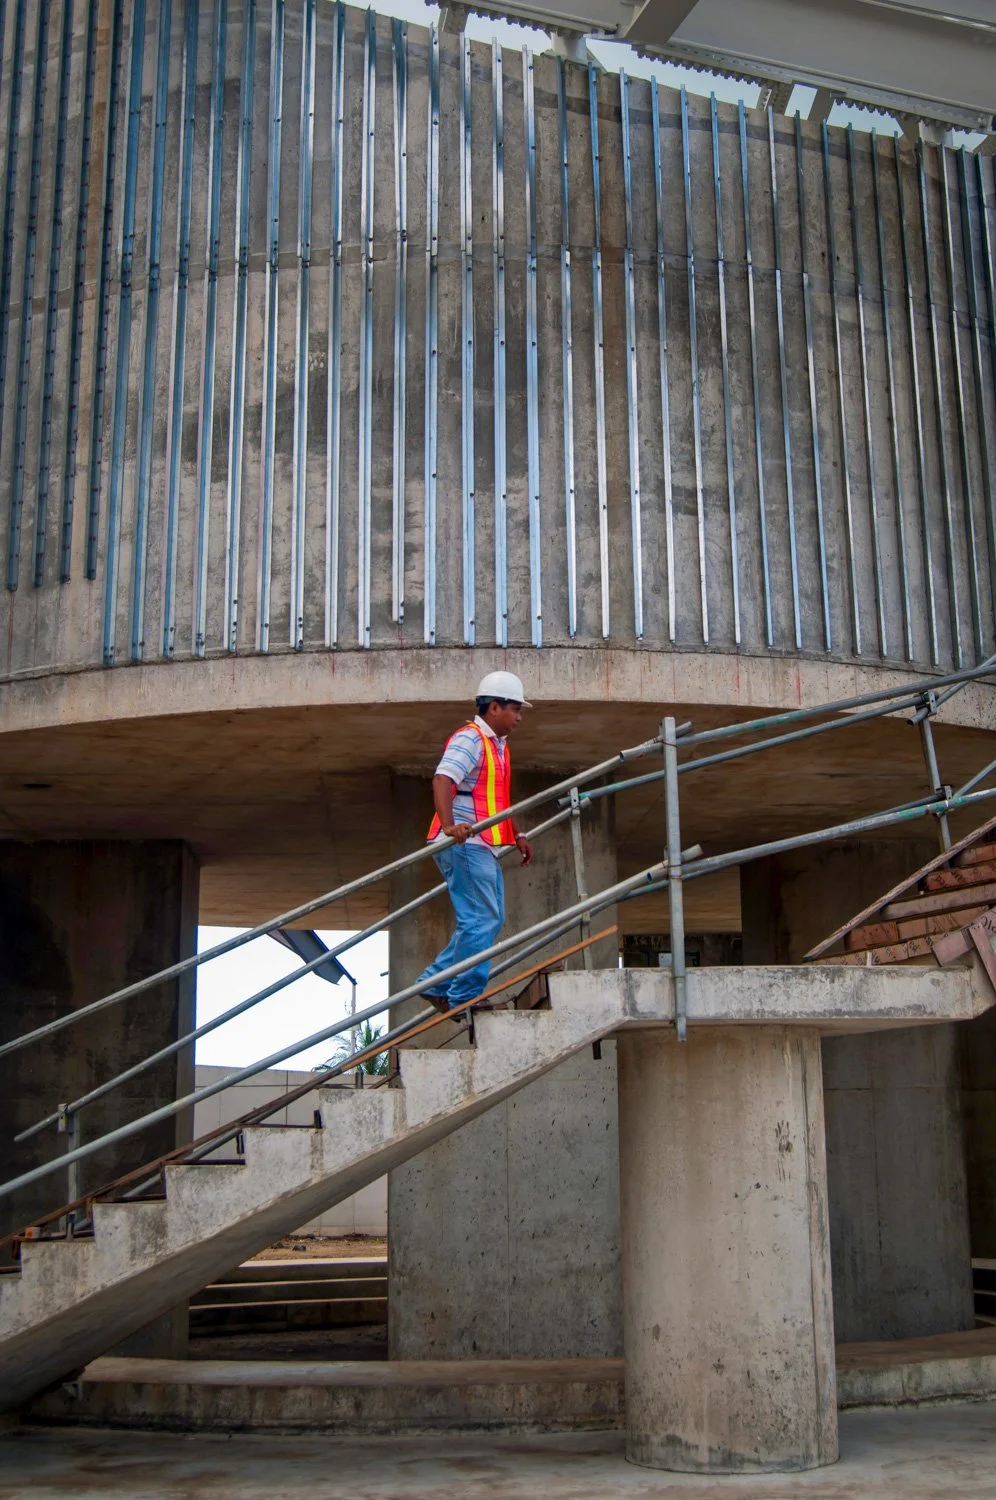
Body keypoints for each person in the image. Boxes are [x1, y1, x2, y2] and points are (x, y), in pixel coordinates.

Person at [415, 672, 534, 1012]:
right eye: (515, 709)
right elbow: (442, 779)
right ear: (494, 707)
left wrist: (518, 833)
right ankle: (464, 995)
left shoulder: (498, 745)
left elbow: (497, 798)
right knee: (480, 919)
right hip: (465, 844)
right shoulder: (470, 739)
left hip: (482, 844)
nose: (519, 717)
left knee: (489, 919)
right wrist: (450, 826)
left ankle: (437, 982)